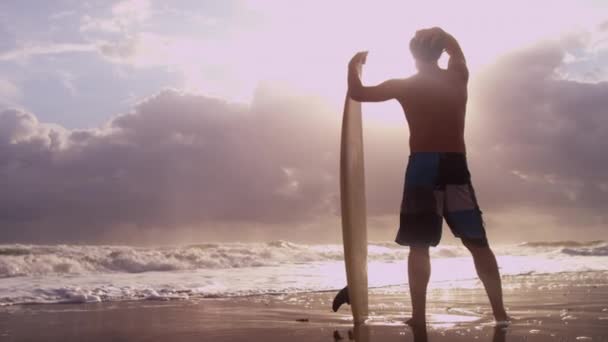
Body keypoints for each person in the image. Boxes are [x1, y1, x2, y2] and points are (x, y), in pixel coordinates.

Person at [333, 27, 509, 326]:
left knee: (419, 245)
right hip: (455, 165)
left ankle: (418, 316)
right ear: (440, 52)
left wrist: (353, 66)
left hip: (422, 168)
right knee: (478, 243)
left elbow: (358, 93)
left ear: (412, 55)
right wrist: (443, 34)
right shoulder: (458, 76)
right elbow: (456, 51)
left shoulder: (404, 86)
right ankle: (501, 314)